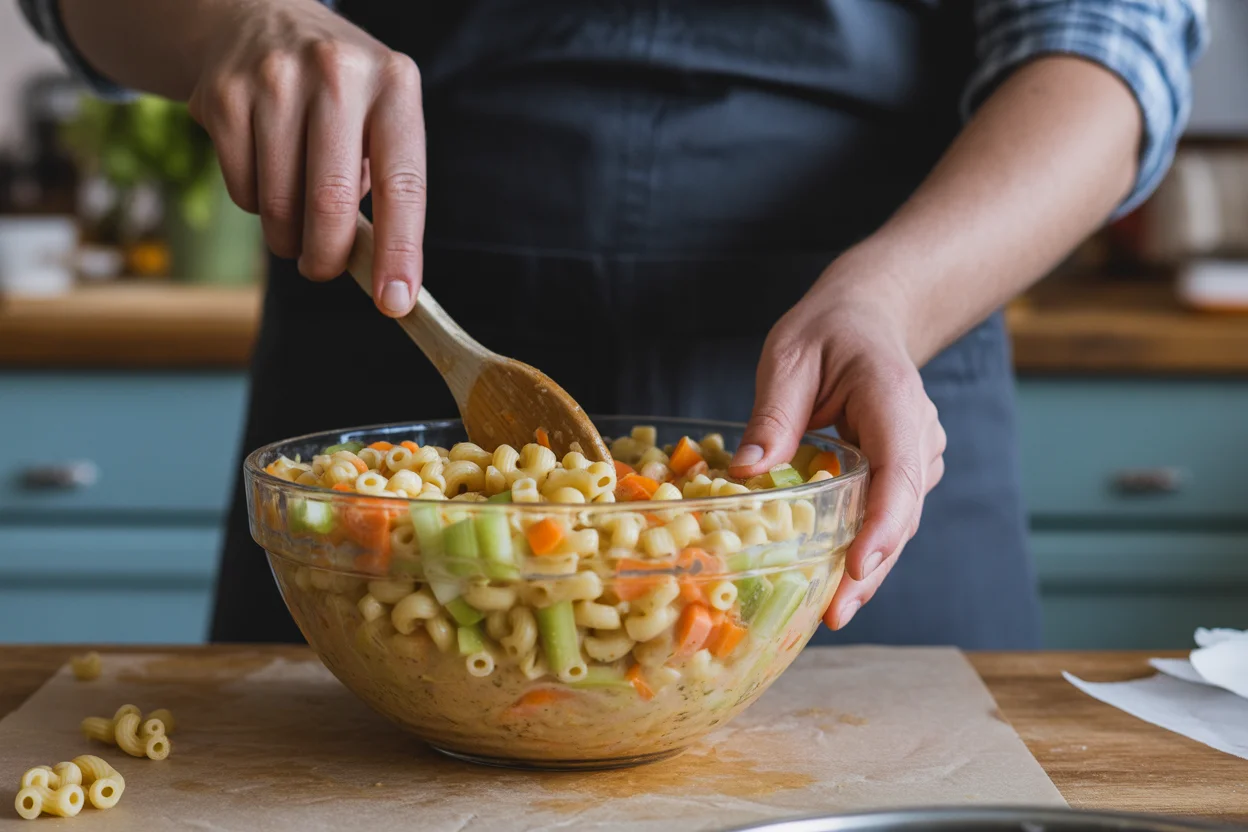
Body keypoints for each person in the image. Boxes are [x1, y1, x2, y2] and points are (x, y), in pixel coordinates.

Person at [22, 0, 1206, 648]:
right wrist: (230, 22)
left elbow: (1114, 41)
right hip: (393, 362)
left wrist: (894, 294)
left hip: (867, 377)